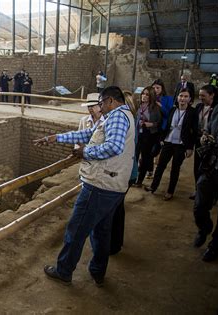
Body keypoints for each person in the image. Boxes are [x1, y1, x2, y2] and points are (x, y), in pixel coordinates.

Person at [33, 86, 136, 286]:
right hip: (113, 185)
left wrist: (85, 153)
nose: (99, 108)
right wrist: (56, 138)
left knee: (77, 228)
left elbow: (114, 147)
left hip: (100, 185)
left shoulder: (116, 116)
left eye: (101, 103)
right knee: (101, 231)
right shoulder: (122, 116)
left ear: (110, 101)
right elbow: (89, 133)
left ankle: (64, 270)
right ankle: (98, 271)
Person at [192, 101, 218, 261]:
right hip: (212, 165)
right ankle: (204, 227)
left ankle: (215, 245)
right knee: (199, 205)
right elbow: (207, 131)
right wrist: (205, 138)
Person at [144, 88, 197, 201]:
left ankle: (170, 191)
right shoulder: (173, 110)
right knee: (160, 165)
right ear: (177, 98)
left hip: (181, 144)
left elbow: (194, 131)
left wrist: (189, 147)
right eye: (181, 96)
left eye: (185, 96)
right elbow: (167, 125)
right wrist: (163, 138)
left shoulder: (192, 112)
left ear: (190, 99)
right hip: (168, 141)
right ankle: (153, 186)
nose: (182, 98)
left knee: (175, 168)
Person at [110, 90, 138, 255]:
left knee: (113, 210)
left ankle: (113, 245)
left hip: (124, 172)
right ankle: (116, 242)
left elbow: (114, 149)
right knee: (118, 208)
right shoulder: (133, 121)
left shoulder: (124, 122)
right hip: (130, 171)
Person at [190, 85, 218, 200]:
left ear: (212, 95)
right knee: (197, 167)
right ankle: (198, 190)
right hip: (199, 142)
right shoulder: (198, 106)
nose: (201, 97)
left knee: (210, 169)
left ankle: (212, 194)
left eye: (203, 95)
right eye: (200, 95)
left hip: (211, 143)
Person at [133, 86, 162, 187]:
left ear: (151, 96)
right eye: (143, 94)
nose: (144, 96)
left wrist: (151, 124)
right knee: (134, 156)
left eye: (147, 95)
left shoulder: (155, 108)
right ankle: (133, 177)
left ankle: (139, 181)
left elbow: (159, 122)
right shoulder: (138, 105)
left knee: (145, 158)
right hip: (137, 134)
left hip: (148, 135)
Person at [149, 79, 174, 178]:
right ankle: (150, 170)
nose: (155, 90)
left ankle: (155, 169)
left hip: (162, 128)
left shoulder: (168, 99)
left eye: (158, 88)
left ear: (162, 89)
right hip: (151, 128)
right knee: (149, 151)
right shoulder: (150, 98)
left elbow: (169, 114)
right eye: (154, 88)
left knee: (155, 151)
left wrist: (160, 106)